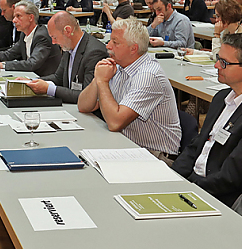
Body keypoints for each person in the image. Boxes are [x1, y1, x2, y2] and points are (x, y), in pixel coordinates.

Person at [173, 34, 242, 207]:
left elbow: (232, 177)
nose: (217, 65)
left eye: (224, 62)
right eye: (218, 59)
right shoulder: (221, 98)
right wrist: (173, 177)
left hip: (224, 199)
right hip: (195, 184)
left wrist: (187, 188)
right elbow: (196, 147)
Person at [77, 17, 181, 161]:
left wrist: (102, 82)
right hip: (126, 145)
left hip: (156, 156)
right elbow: (84, 106)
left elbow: (115, 123)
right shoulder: (119, 66)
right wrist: (97, 79)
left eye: (115, 42)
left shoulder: (148, 75)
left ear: (133, 49)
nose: (108, 46)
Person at [26, 12, 108, 102]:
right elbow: (58, 78)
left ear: (68, 31)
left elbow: (86, 96)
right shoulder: (68, 46)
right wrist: (31, 81)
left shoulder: (94, 53)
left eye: (55, 37)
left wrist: (49, 89)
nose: (53, 42)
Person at [0, 0, 61, 75]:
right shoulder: (24, 34)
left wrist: (3, 65)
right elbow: (9, 54)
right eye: (14, 16)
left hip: (46, 82)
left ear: (31, 18)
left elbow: (32, 64)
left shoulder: (41, 36)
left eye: (18, 16)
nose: (14, 20)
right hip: (32, 77)